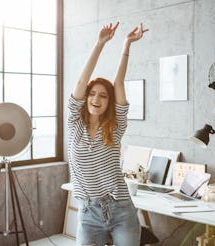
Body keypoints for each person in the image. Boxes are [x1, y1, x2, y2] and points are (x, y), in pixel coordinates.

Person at [67, 22, 148, 246]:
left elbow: (119, 82)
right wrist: (100, 43)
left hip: (121, 209)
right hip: (88, 212)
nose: (96, 99)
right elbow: (81, 81)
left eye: (103, 96)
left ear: (109, 101)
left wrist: (126, 44)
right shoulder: (74, 123)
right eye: (92, 94)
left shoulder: (116, 127)